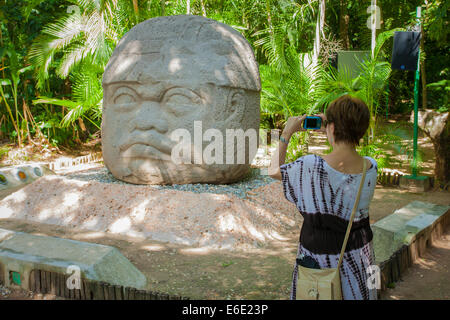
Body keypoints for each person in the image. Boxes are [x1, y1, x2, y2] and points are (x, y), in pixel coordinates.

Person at [268, 95, 378, 300]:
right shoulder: (371, 167)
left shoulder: (311, 166)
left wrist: (287, 133)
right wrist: (332, 129)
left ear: (332, 128)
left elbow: (273, 170)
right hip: (364, 257)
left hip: (321, 261)